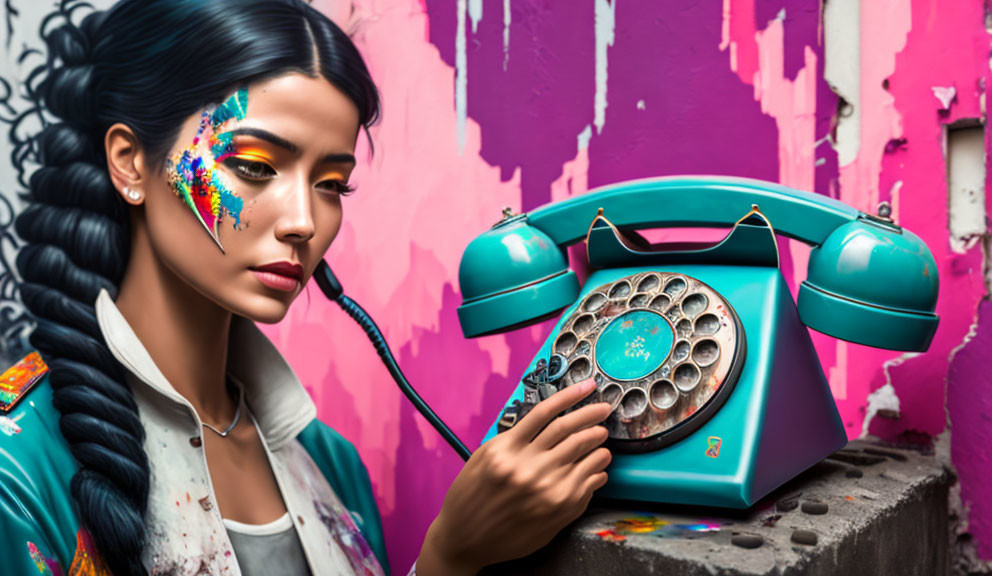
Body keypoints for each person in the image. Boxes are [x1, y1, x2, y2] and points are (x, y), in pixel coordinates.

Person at [0, 1, 613, 575]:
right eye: (254, 167)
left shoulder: (333, 465)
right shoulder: (18, 466)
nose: (303, 222)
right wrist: (448, 558)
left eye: (331, 184)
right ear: (132, 163)